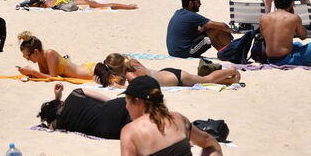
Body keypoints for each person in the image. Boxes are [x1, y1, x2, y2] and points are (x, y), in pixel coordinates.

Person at [37, 82, 130, 139]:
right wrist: (57, 97)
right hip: (115, 108)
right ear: (58, 103)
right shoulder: (76, 93)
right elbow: (107, 100)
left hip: (111, 131)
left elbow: (51, 127)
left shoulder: (59, 124)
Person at [99, 53, 241, 87]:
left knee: (206, 80)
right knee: (209, 83)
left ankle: (231, 71)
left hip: (176, 78)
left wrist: (115, 86)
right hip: (166, 73)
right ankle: (232, 79)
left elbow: (134, 88)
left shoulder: (130, 76)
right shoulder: (132, 62)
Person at [165, 0, 233, 58]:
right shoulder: (191, 15)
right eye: (198, 2)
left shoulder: (178, 12)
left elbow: (198, 30)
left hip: (174, 51)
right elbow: (223, 26)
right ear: (191, 3)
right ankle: (234, 51)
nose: (200, 4)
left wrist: (207, 27)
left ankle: (226, 54)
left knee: (212, 29)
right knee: (213, 33)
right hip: (184, 52)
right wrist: (231, 31)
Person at [17, 31, 98, 79]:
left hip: (90, 72)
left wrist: (33, 72)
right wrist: (29, 74)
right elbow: (44, 76)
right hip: (83, 71)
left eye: (27, 56)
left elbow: (53, 77)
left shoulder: (50, 53)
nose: (27, 59)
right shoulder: (40, 59)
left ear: (36, 52)